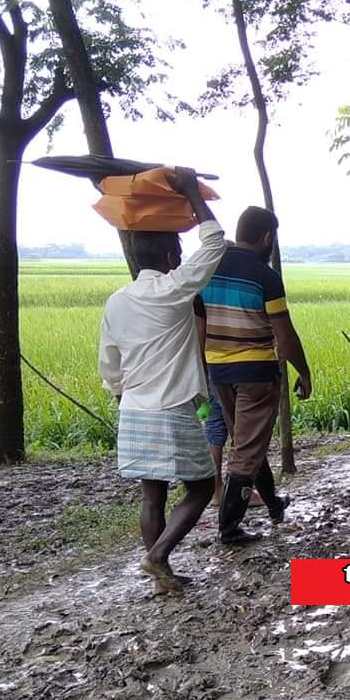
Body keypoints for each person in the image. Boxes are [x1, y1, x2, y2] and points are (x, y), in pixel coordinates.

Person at [99, 167, 226, 594]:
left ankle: (162, 578)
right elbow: (215, 242)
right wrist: (191, 190)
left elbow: (109, 361)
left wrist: (119, 394)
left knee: (151, 494)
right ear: (173, 256)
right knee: (202, 485)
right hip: (172, 406)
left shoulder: (116, 302)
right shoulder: (173, 290)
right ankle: (157, 557)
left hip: (133, 408)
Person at [196, 206, 311, 544]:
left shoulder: (208, 268)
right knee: (247, 448)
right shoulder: (266, 277)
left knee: (246, 441)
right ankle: (229, 527)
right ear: (266, 238)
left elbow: (199, 321)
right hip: (256, 373)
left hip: (218, 370)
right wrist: (303, 372)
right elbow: (286, 336)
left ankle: (273, 503)